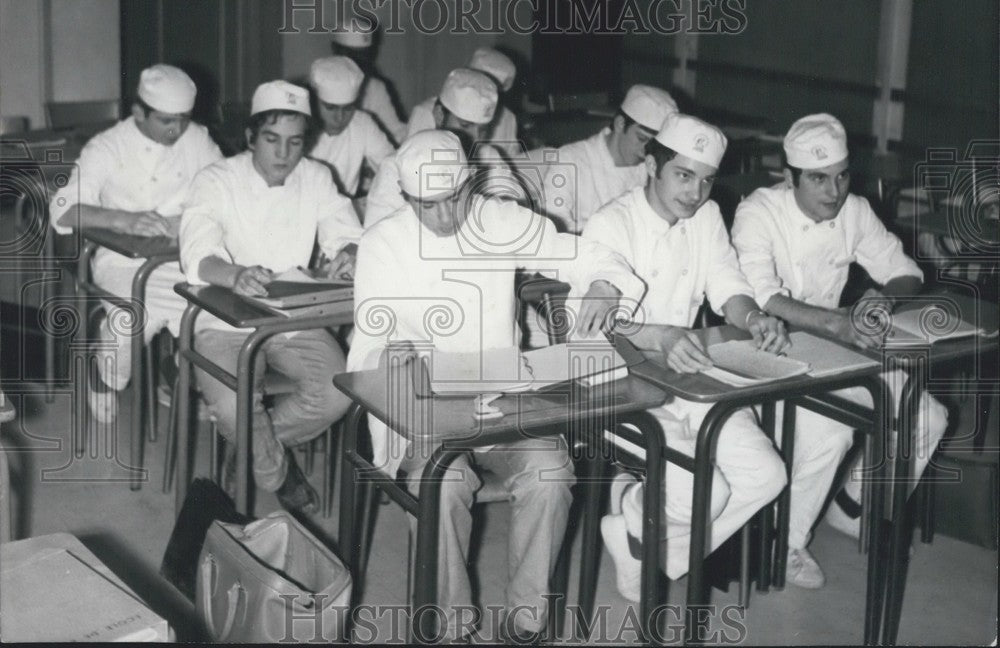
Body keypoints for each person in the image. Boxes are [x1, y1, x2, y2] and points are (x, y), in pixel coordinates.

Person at [348, 130, 645, 641]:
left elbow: (583, 254)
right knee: (441, 482)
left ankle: (526, 621)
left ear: (472, 185)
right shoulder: (382, 244)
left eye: (454, 200)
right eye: (427, 206)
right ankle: (450, 623)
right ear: (406, 199)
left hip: (505, 401)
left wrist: (603, 283)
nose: (444, 218)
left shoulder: (500, 220)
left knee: (551, 470)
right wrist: (391, 355)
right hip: (428, 405)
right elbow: (370, 343)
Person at [731, 113, 948, 587]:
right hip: (765, 345)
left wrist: (882, 298)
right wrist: (840, 322)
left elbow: (905, 268)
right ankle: (783, 544)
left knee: (928, 418)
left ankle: (852, 508)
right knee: (830, 428)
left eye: (842, 175)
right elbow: (762, 294)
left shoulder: (855, 210)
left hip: (837, 342)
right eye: (818, 179)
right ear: (788, 178)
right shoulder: (759, 212)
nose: (834, 191)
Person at [582, 113, 789, 601]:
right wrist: (662, 336)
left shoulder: (707, 217)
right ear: (651, 165)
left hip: (688, 374)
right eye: (683, 174)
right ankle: (641, 520)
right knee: (708, 491)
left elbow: (727, 285)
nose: (695, 192)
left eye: (706, 179)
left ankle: (637, 533)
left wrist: (754, 316)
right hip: (615, 382)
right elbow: (596, 321)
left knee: (767, 475)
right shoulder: (610, 222)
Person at [179, 80, 362, 513]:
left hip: (290, 315)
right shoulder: (217, 180)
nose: (283, 154)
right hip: (222, 318)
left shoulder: (316, 177)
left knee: (338, 392)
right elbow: (197, 251)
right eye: (272, 140)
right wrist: (234, 274)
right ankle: (276, 471)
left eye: (295, 142)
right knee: (234, 403)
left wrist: (349, 253)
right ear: (250, 137)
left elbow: (346, 229)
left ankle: (247, 448)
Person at [49, 64, 223, 423]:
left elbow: (225, 189)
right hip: (122, 260)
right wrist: (124, 219)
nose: (176, 130)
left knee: (220, 319)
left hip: (184, 258)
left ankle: (177, 373)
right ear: (139, 112)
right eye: (165, 121)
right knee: (129, 319)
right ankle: (103, 376)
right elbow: (63, 208)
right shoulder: (108, 146)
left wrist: (192, 219)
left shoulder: (197, 139)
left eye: (183, 119)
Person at [365, 68, 517, 228]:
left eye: (484, 130)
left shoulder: (489, 157)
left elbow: (515, 211)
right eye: (465, 125)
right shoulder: (395, 166)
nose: (475, 137)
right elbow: (379, 234)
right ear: (439, 115)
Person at [542, 84, 678, 234]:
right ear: (620, 124)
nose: (648, 150)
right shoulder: (570, 159)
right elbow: (551, 227)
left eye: (655, 145)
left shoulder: (653, 170)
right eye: (641, 138)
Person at [308, 55, 395, 198]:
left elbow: (392, 166)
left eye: (348, 108)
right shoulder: (298, 128)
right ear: (314, 101)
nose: (340, 118)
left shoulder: (362, 124)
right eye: (331, 108)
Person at [406, 47, 519, 156]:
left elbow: (511, 162)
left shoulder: (508, 118)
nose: (476, 138)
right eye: (465, 125)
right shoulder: (425, 111)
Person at [331, 15, 407, 145]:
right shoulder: (314, 85)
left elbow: (396, 132)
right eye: (353, 55)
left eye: (365, 56)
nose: (359, 64)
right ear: (336, 50)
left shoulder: (375, 87)